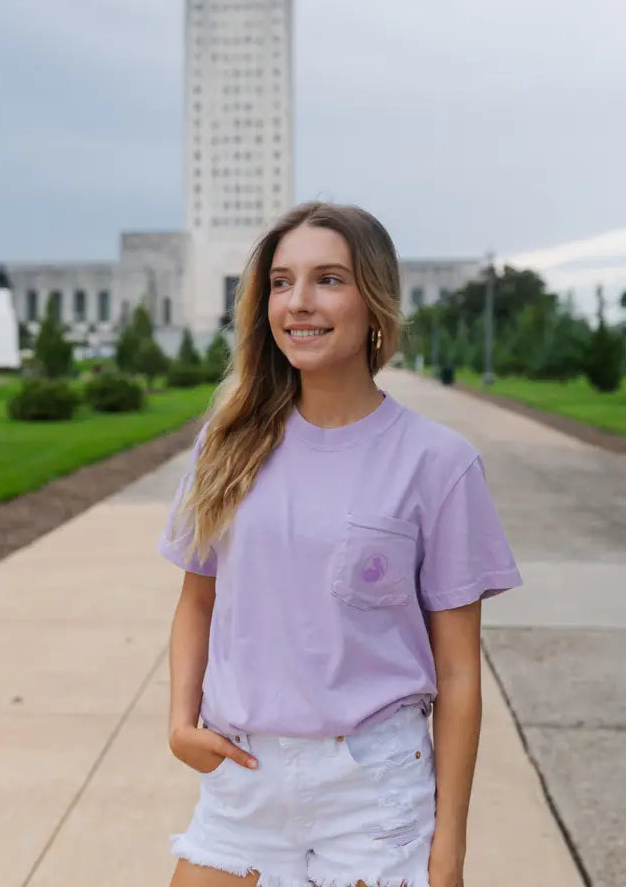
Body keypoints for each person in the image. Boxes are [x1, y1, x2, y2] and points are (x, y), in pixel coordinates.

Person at [158, 202, 523, 887]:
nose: (298, 302)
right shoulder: (228, 446)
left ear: (374, 301)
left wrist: (450, 850)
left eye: (328, 279)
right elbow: (198, 599)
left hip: (374, 789)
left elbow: (460, 674)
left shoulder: (438, 463)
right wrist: (181, 721)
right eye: (280, 282)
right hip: (244, 780)